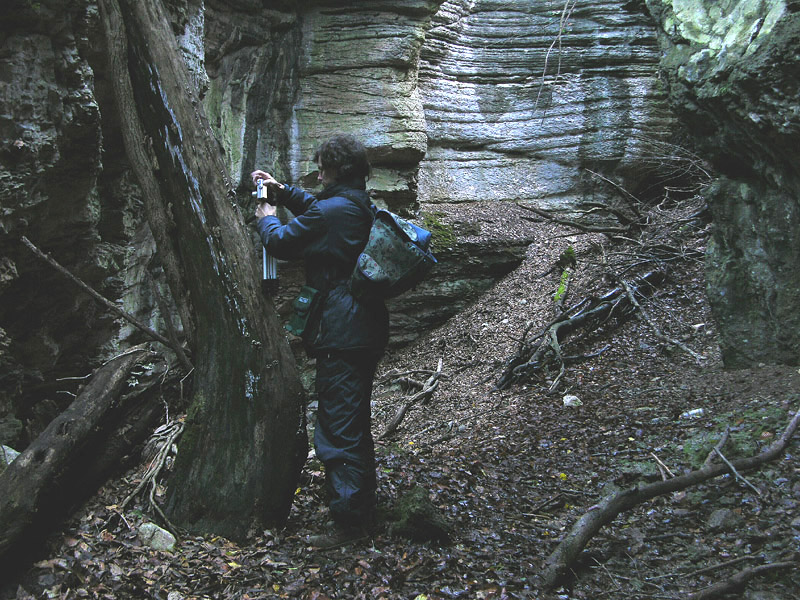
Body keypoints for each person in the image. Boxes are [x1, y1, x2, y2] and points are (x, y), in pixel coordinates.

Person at [251, 134, 389, 547]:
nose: (317, 173)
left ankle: (350, 525)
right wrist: (282, 191)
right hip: (360, 326)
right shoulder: (356, 203)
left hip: (343, 333)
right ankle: (359, 510)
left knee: (340, 428)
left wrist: (265, 214)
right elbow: (316, 208)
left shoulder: (333, 211)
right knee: (351, 421)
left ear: (334, 170)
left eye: (321, 167)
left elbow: (281, 242)